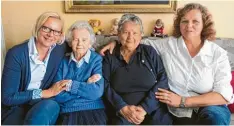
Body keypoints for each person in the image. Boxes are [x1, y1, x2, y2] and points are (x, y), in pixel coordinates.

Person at [100, 3, 233, 125]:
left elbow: (224, 95)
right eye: (184, 21)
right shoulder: (167, 45)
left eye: (195, 21)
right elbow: (134, 42)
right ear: (179, 24)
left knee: (214, 120)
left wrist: (183, 101)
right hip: (179, 111)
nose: (189, 25)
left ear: (205, 24)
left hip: (210, 107)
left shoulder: (218, 54)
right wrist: (116, 42)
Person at [1, 12, 71, 125]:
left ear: (60, 35)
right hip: (16, 106)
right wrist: (45, 93)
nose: (50, 35)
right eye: (46, 28)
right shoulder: (16, 54)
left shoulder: (60, 48)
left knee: (47, 109)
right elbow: (7, 97)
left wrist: (110, 44)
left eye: (56, 31)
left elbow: (82, 43)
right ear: (37, 27)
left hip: (44, 104)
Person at [102, 13, 172, 125]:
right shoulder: (110, 56)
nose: (130, 37)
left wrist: (144, 108)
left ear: (141, 36)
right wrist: (122, 108)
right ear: (118, 34)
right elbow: (104, 85)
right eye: (125, 32)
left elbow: (162, 80)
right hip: (122, 112)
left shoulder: (149, 52)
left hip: (152, 109)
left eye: (135, 33)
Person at [53, 21, 106, 125]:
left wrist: (70, 85)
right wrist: (86, 84)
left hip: (93, 108)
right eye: (75, 39)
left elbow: (96, 92)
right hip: (68, 109)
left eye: (84, 40)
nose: (79, 43)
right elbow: (57, 95)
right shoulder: (63, 61)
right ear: (69, 42)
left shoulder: (96, 60)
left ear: (90, 42)